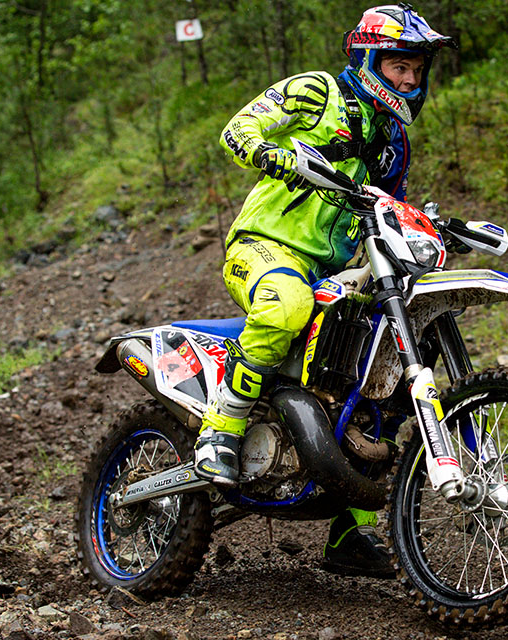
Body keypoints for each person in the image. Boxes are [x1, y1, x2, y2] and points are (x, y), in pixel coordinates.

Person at [195, 4, 456, 577]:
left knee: (387, 363)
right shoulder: (317, 92)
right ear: (368, 60)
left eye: (417, 70)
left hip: (333, 271)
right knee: (285, 305)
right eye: (399, 67)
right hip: (265, 248)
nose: (410, 80)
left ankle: (350, 532)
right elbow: (238, 129)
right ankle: (220, 431)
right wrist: (271, 153)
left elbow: (389, 210)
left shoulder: (393, 142)